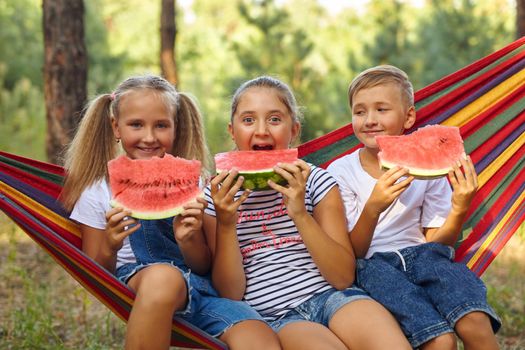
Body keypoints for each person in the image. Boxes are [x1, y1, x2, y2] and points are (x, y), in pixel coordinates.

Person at [60, 75, 280, 350]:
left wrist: (188, 239)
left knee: (260, 339)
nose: (149, 137)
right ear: (116, 126)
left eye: (161, 125)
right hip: (142, 283)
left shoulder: (193, 183)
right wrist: (111, 245)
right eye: (136, 125)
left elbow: (202, 266)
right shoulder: (97, 190)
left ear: (176, 128)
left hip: (200, 290)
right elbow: (95, 272)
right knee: (164, 277)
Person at [203, 75, 411, 350]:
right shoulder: (218, 195)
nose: (262, 130)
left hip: (337, 297)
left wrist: (300, 213)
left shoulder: (317, 182)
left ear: (294, 130)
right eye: (249, 119)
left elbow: (342, 276)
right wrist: (226, 224)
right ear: (232, 130)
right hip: (282, 318)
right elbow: (230, 292)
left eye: (275, 119)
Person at [327, 65, 501, 350]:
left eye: (381, 109)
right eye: (360, 112)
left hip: (426, 257)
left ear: (408, 117)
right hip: (371, 266)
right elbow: (349, 256)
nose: (370, 120)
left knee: (475, 321)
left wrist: (459, 207)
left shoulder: (427, 167)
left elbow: (436, 242)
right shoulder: (341, 171)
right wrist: (373, 207)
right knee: (440, 340)